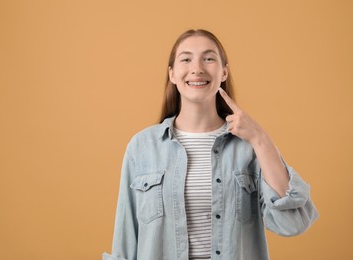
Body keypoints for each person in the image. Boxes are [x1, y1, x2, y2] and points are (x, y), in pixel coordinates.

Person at [103, 29, 318, 260]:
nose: (197, 68)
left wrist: (260, 139)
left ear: (224, 72)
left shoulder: (249, 147)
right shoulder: (142, 147)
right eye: (186, 59)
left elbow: (293, 223)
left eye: (209, 58)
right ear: (172, 74)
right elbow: (125, 242)